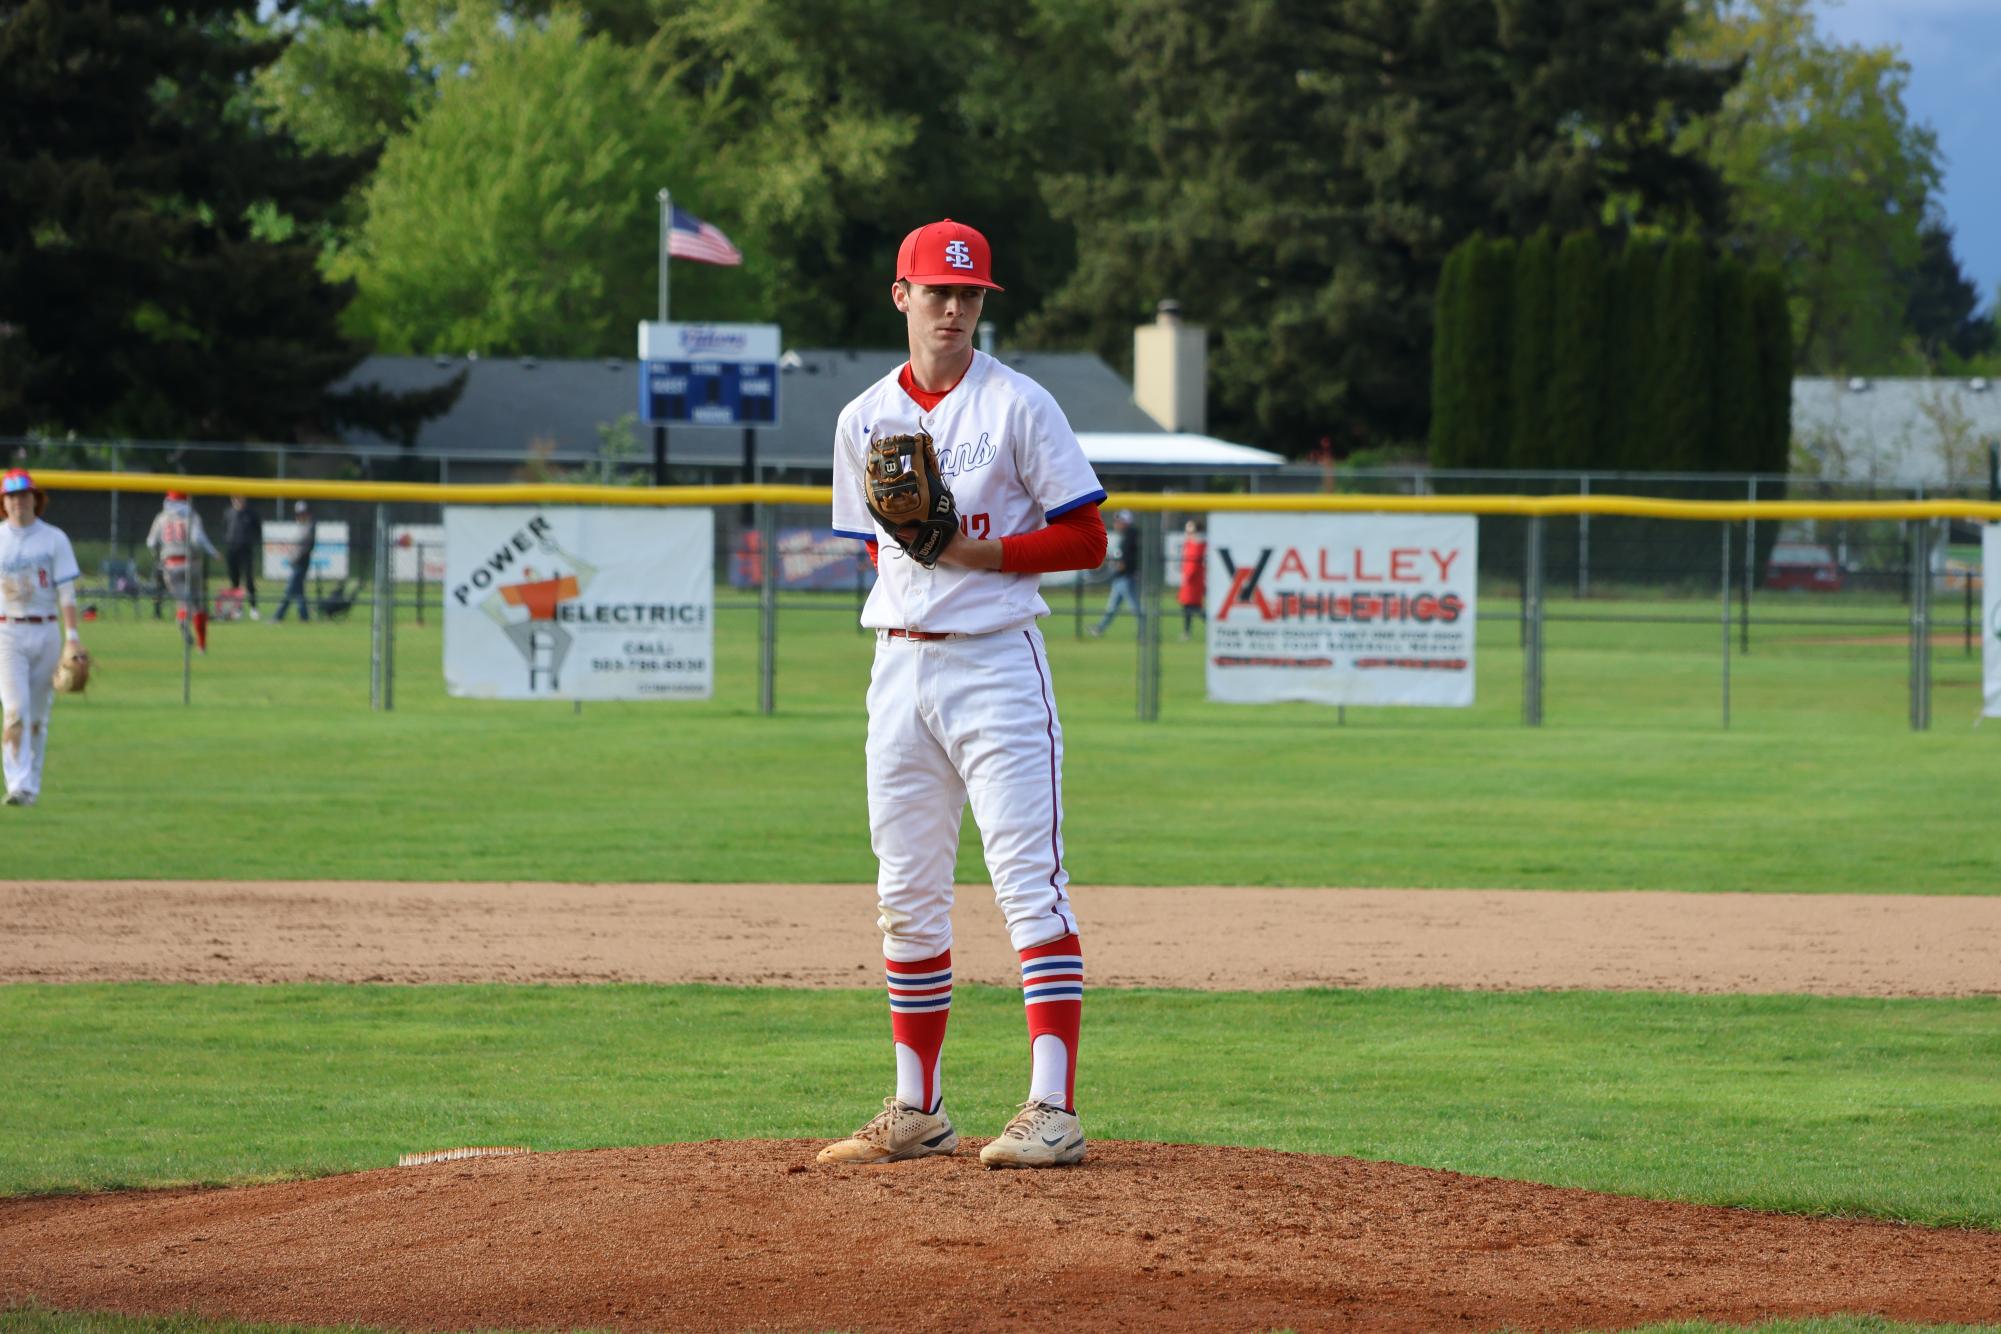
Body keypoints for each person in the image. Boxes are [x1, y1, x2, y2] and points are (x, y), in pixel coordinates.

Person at [823, 218, 1108, 1170]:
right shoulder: (862, 417)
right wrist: (929, 564)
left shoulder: (1021, 406)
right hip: (898, 666)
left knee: (1027, 883)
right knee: (904, 893)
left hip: (995, 662)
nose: (953, 307)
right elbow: (876, 546)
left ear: (982, 303)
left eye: (970, 293)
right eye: (936, 292)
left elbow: (1085, 539)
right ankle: (918, 1108)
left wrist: (977, 555)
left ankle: (1051, 1108)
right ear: (900, 296)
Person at [0, 470, 84, 806]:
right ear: (3, 503)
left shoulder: (54, 539)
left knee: (38, 715)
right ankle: (17, 783)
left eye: (24, 495)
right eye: (11, 496)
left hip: (47, 630)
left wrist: (72, 637)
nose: (18, 501)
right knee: (15, 709)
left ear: (36, 498)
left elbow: (67, 592)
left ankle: (30, 784)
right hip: (7, 631)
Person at [145, 490, 220, 628]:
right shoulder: (192, 516)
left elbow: (151, 542)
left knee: (183, 602)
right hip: (192, 563)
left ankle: (184, 621)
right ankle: (201, 644)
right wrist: (213, 552)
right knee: (198, 604)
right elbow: (197, 538)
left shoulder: (161, 517)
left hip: (171, 564)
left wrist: (158, 555)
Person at [1089, 510, 1141, 636]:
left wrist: (1111, 568)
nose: (1116, 524)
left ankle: (1146, 632)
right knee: (1112, 608)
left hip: (1126, 579)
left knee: (1135, 608)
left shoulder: (1129, 538)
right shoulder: (1127, 536)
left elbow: (1124, 564)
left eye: (1119, 521)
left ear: (1126, 522)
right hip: (1121, 579)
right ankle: (1099, 629)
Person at [272, 501, 316, 622]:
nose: (299, 516)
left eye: (302, 513)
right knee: (299, 592)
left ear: (307, 513)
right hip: (297, 563)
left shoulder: (310, 527)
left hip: (300, 564)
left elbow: (306, 548)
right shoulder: (304, 526)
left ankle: (278, 616)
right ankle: (304, 617)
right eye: (298, 514)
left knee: (289, 591)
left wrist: (295, 557)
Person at [224, 495, 264, 619]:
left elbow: (258, 530)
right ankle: (237, 609)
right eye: (236, 498)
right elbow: (225, 529)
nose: (238, 501)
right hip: (232, 550)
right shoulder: (228, 513)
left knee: (249, 580)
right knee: (234, 580)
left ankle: (253, 608)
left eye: (240, 498)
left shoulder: (251, 513)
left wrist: (252, 542)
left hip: (246, 550)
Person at [1177, 518, 1207, 640]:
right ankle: (1186, 632)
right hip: (1188, 581)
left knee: (1194, 607)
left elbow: (1194, 564)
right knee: (1187, 606)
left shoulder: (1199, 544)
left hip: (1193, 581)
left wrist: (1188, 576)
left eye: (1190, 528)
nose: (1187, 530)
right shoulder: (1189, 543)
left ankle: (1213, 626)